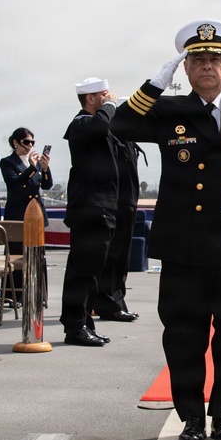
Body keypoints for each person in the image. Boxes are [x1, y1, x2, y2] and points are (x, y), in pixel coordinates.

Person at [112, 19, 221, 440]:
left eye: (215, 59)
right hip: (182, 244)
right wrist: (153, 85)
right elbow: (118, 126)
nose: (207, 67)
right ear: (186, 70)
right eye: (197, 60)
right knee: (184, 336)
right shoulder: (168, 111)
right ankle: (191, 416)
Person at [60, 78, 119, 346]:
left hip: (102, 206)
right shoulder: (81, 123)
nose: (108, 99)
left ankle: (85, 321)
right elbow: (102, 124)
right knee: (82, 270)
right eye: (102, 96)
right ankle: (74, 325)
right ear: (90, 98)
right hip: (89, 207)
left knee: (93, 269)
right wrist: (109, 106)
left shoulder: (97, 125)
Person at [92, 127, 142, 323]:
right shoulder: (112, 139)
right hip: (117, 203)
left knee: (122, 258)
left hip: (127, 202)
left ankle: (117, 301)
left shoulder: (127, 140)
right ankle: (108, 303)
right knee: (112, 258)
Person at [1, 126, 53, 301]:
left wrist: (45, 169)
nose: (29, 146)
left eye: (32, 142)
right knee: (16, 253)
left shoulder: (36, 163)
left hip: (36, 213)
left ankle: (38, 292)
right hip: (18, 213)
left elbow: (46, 185)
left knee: (38, 253)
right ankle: (15, 294)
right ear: (15, 143)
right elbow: (15, 184)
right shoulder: (8, 162)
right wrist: (31, 168)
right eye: (26, 142)